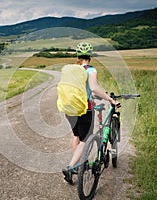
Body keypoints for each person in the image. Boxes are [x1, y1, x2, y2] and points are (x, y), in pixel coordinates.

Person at [62, 42, 117, 184]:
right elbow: (93, 88)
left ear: (78, 55)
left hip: (69, 108)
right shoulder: (90, 69)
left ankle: (80, 164)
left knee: (77, 137)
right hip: (83, 109)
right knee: (85, 140)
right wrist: (110, 99)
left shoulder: (73, 69)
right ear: (90, 56)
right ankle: (71, 167)